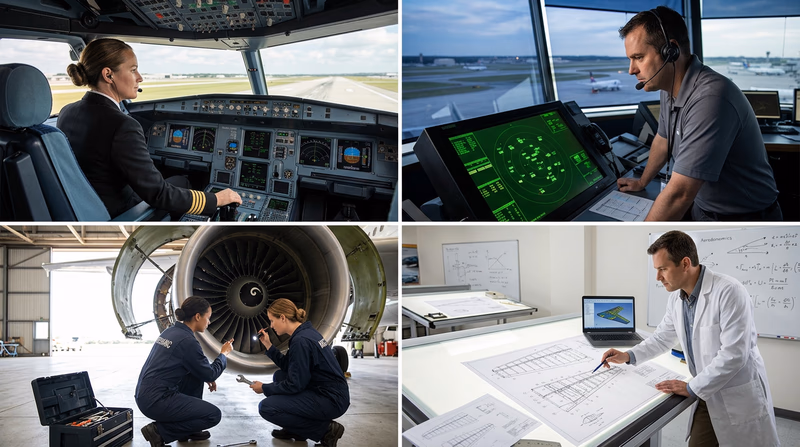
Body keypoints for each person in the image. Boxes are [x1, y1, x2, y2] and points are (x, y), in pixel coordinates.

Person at [600, 230, 779, 447]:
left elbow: (734, 355)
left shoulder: (729, 291)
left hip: (736, 394)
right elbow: (662, 338)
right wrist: (628, 355)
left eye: (663, 269)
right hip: (706, 391)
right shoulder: (677, 298)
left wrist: (692, 388)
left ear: (685, 264)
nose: (658, 277)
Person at [616, 7, 781, 221]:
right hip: (703, 209)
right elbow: (662, 139)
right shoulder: (670, 88)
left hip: (745, 218)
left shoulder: (711, 98)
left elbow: (680, 194)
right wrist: (642, 181)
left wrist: (637, 241)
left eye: (638, 57)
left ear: (670, 52)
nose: (631, 70)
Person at [57, 38, 241, 219]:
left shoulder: (66, 112)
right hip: (120, 212)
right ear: (108, 75)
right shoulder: (122, 125)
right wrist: (215, 199)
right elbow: (158, 194)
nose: (140, 78)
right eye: (133, 70)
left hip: (84, 206)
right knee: (182, 181)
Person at [135, 296, 234, 447]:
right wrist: (224, 354)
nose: (209, 322)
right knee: (213, 415)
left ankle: (187, 431)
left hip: (145, 395)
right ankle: (159, 432)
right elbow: (211, 373)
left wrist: (204, 375)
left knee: (195, 376)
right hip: (156, 401)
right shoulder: (188, 341)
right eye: (208, 318)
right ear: (197, 316)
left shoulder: (170, 332)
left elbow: (198, 369)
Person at [250, 298, 350, 447]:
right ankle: (297, 430)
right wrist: (269, 346)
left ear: (282, 318)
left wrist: (264, 388)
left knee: (267, 407)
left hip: (331, 400)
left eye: (272, 320)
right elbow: (289, 366)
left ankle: (327, 431)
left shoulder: (301, 341)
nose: (271, 326)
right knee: (280, 375)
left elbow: (295, 385)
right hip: (329, 392)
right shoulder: (305, 333)